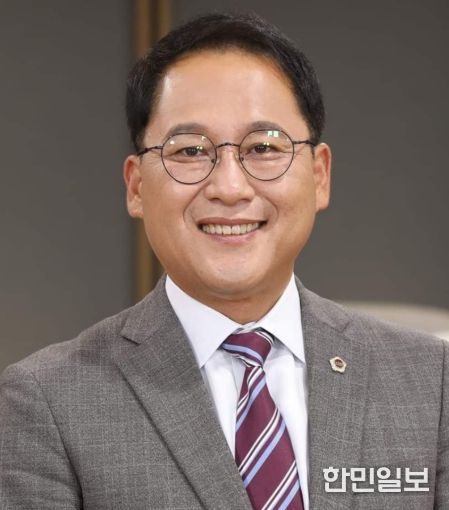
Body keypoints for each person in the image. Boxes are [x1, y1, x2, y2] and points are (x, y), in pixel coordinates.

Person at [0, 12, 447, 510]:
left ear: (319, 175)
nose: (230, 187)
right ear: (137, 186)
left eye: (264, 147)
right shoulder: (48, 401)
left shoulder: (432, 382)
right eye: (190, 151)